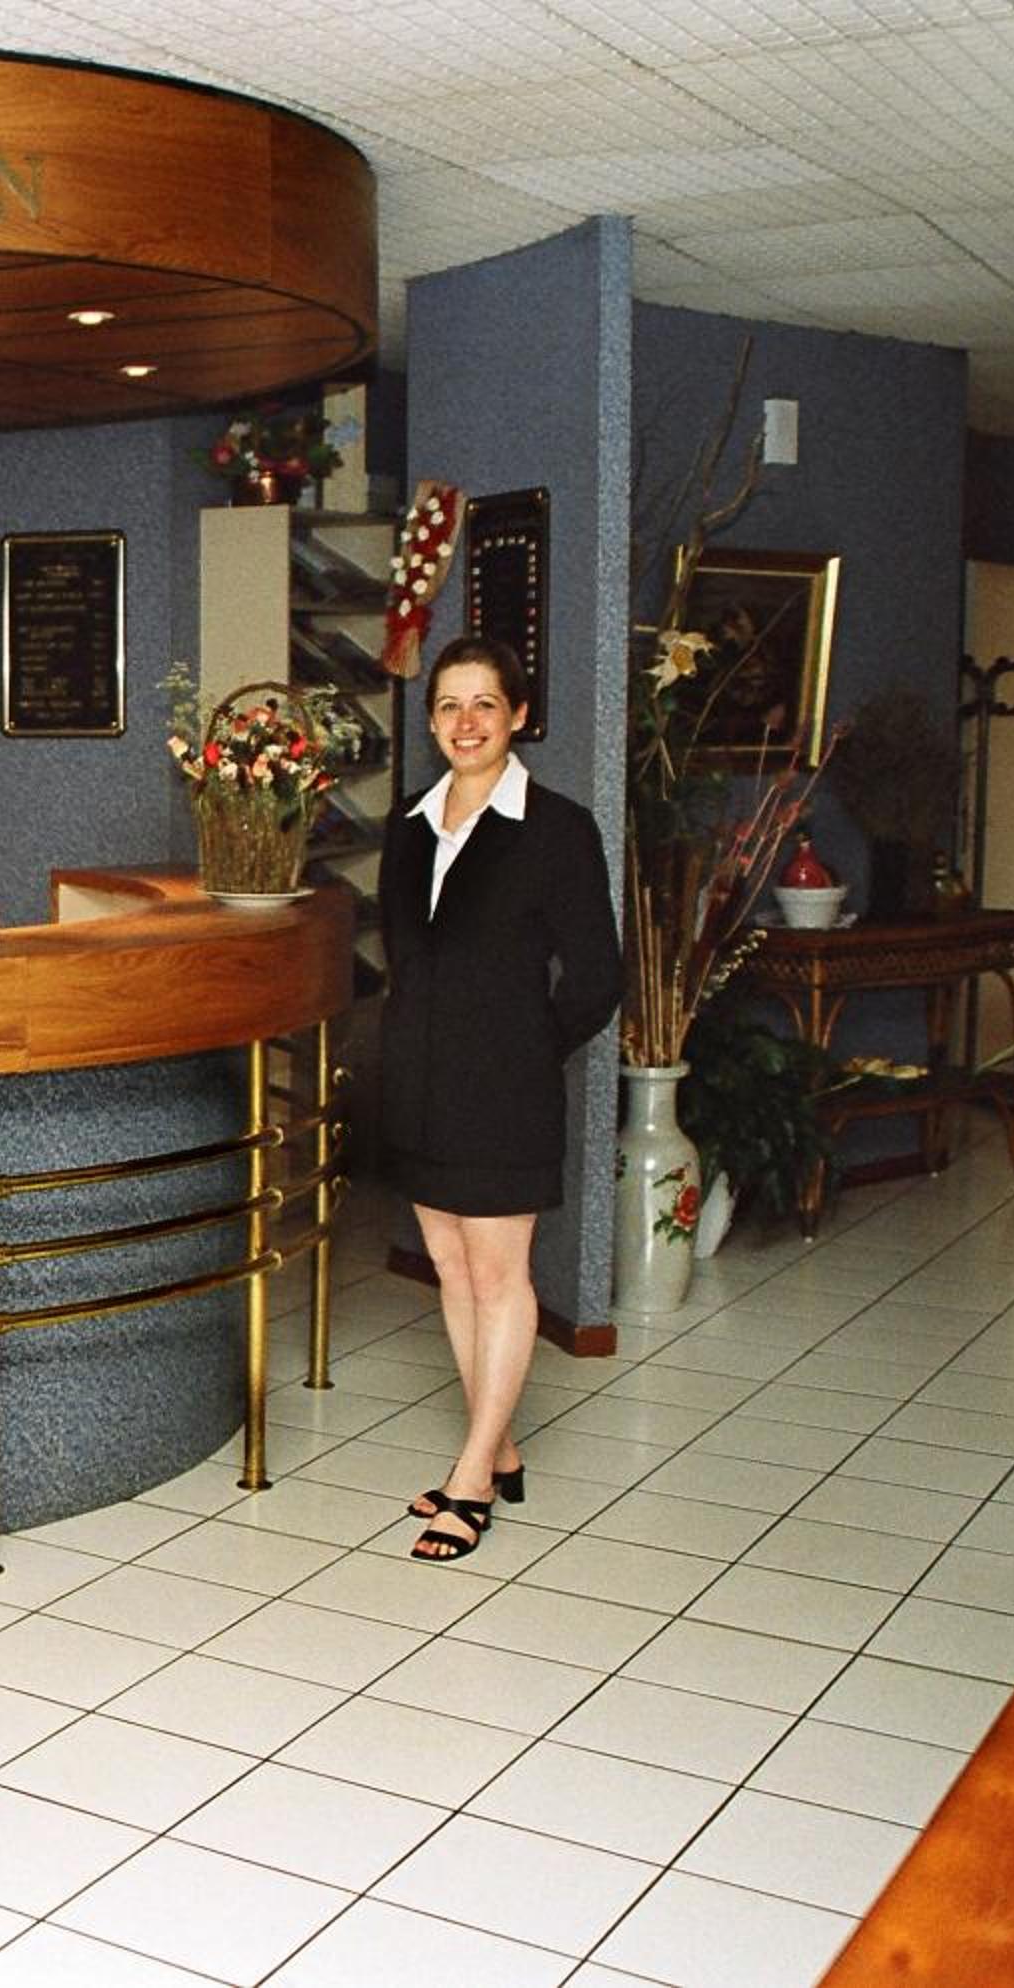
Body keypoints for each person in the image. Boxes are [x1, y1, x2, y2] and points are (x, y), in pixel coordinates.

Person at [377, 635, 621, 1563]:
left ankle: (473, 1476)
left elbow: (596, 979)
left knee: (499, 1274)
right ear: (431, 720)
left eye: (485, 703)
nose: (466, 722)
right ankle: (502, 1444)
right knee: (450, 1267)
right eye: (448, 705)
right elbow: (407, 958)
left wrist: (524, 1048)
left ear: (518, 715)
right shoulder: (408, 823)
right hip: (420, 1084)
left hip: (506, 1089)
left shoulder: (557, 829)